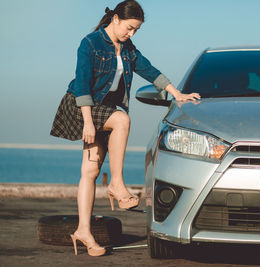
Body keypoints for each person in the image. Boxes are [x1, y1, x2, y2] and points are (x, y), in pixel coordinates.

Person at [50, 0, 200, 257]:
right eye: (129, 28)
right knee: (121, 121)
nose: (131, 34)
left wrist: (177, 94)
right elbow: (82, 85)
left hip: (105, 110)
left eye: (136, 31)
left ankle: (83, 231)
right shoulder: (90, 43)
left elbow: (148, 69)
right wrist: (87, 121)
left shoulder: (127, 48)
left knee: (91, 168)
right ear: (116, 19)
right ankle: (117, 184)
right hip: (83, 106)